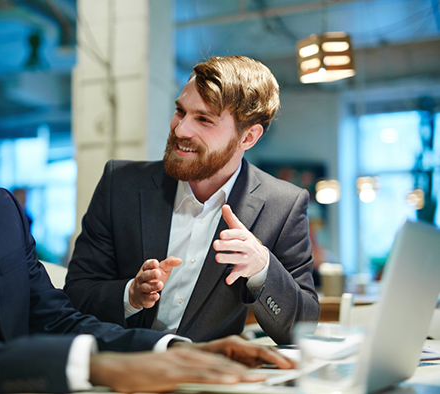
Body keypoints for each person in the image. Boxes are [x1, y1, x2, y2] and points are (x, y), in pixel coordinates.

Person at [0, 12, 295, 394]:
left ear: (248, 138)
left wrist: (173, 349)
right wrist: (95, 367)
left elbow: (54, 317)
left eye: (203, 119)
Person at [64, 56, 320, 345]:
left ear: (248, 137)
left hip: (208, 377)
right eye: (180, 111)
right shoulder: (119, 184)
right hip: (123, 372)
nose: (181, 129)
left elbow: (303, 329)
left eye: (203, 119)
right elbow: (75, 294)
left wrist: (262, 269)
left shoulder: (282, 206)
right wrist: (130, 296)